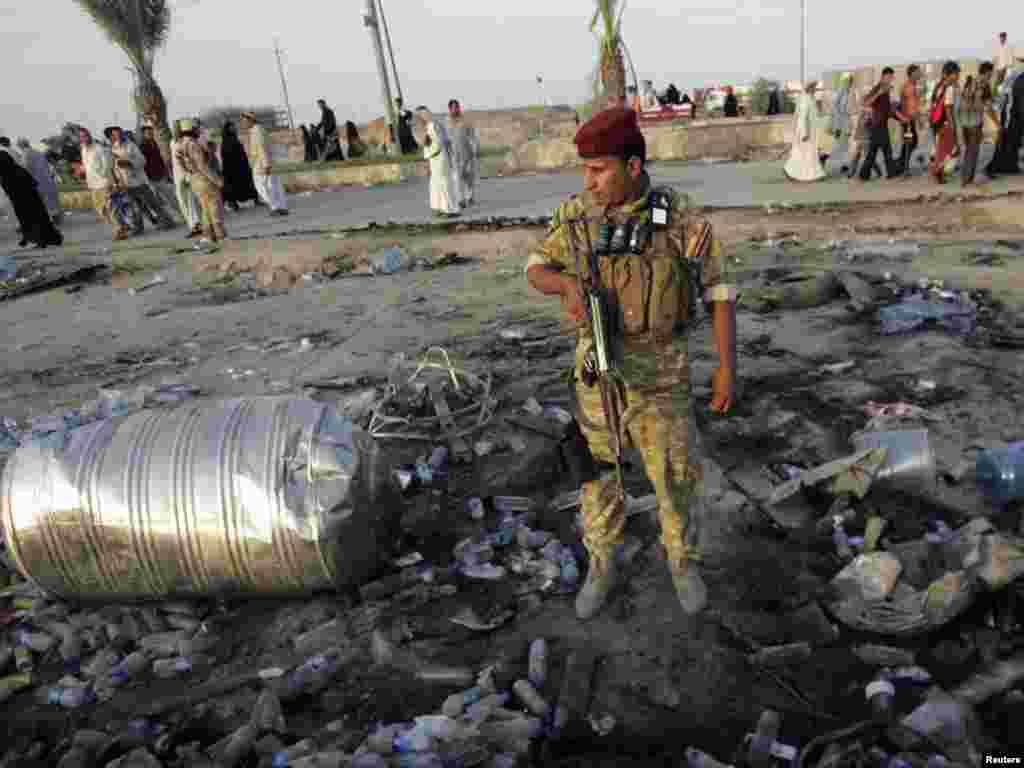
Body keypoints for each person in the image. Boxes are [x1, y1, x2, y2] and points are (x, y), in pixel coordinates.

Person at [525, 107, 737, 619]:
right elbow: (535, 267)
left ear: (634, 166)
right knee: (597, 475)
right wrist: (565, 285)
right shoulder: (576, 217)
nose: (589, 180)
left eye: (599, 170)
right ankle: (602, 563)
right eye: (586, 170)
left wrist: (727, 366)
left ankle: (683, 562)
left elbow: (720, 292)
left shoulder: (681, 219)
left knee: (674, 475)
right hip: (597, 372)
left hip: (661, 370)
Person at [107, 125, 176, 233]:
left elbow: (142, 160)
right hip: (125, 183)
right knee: (134, 207)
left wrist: (129, 163)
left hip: (139, 181)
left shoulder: (131, 146)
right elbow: (113, 167)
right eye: (115, 134)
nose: (118, 136)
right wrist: (117, 180)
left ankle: (167, 221)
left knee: (152, 203)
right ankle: (138, 227)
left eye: (119, 133)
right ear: (112, 136)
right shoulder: (112, 148)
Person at [173, 119, 226, 242]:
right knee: (214, 206)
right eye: (196, 129)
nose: (198, 131)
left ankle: (209, 235)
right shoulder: (193, 145)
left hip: (194, 179)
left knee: (205, 208)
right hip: (204, 179)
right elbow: (202, 166)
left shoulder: (179, 145)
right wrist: (216, 179)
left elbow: (182, 166)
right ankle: (220, 234)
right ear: (191, 130)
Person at [0, 151, 62, 248]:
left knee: (31, 221)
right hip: (32, 199)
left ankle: (40, 240)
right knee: (39, 219)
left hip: (22, 202)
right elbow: (33, 183)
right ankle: (49, 239)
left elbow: (9, 190)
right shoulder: (18, 169)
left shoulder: (6, 174)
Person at [78, 127, 130, 241]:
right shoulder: (83, 150)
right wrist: (84, 173)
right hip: (93, 184)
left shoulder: (99, 148)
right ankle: (123, 225)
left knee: (111, 208)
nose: (84, 138)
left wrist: (104, 178)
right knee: (101, 210)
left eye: (85, 135)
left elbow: (107, 165)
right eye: (81, 137)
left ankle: (120, 230)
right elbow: (87, 165)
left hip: (104, 183)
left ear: (89, 135)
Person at [858, 67, 905, 181]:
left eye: (891, 77)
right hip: (877, 124)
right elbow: (866, 102)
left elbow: (888, 108)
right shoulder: (878, 87)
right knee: (885, 150)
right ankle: (890, 173)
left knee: (874, 152)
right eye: (889, 77)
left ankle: (864, 175)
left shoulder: (886, 89)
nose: (891, 79)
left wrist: (899, 117)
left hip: (881, 123)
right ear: (883, 76)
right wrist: (879, 93)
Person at [240, 111, 289, 216]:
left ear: (250, 120)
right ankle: (281, 207)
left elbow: (262, 148)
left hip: (261, 163)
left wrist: (266, 165)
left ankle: (275, 207)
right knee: (274, 185)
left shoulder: (256, 131)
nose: (243, 123)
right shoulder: (258, 129)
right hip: (267, 162)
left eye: (244, 121)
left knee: (263, 187)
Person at [416, 106, 460, 217]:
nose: (422, 117)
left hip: (440, 157)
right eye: (420, 115)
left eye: (423, 114)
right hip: (434, 158)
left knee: (444, 183)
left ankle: (451, 210)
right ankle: (439, 208)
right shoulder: (429, 125)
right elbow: (428, 142)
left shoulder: (436, 124)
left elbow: (443, 142)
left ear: (427, 113)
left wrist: (427, 142)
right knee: (435, 184)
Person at [958, 62, 997, 186]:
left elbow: (962, 100)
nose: (990, 77)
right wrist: (997, 122)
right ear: (986, 72)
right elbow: (989, 107)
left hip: (964, 121)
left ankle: (966, 177)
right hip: (975, 121)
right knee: (974, 150)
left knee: (969, 150)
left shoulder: (970, 81)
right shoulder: (985, 85)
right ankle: (968, 178)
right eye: (990, 74)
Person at [986, 58, 1024, 177]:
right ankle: (1005, 166)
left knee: (1010, 140)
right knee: (1009, 140)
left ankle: (1009, 165)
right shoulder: (1019, 77)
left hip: (1009, 113)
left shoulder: (1014, 74)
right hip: (1011, 114)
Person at [785, 81, 826, 182]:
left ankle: (794, 171)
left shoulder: (808, 98)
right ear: (810, 88)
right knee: (805, 153)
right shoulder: (805, 99)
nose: (815, 90)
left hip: (809, 131)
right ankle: (807, 174)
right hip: (806, 131)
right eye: (814, 88)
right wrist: (804, 133)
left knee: (804, 153)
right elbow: (802, 117)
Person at [928, 61, 961, 184]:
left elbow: (933, 104)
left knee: (940, 150)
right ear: (950, 74)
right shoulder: (950, 88)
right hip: (945, 123)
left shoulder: (939, 85)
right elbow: (948, 109)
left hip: (936, 122)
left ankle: (937, 172)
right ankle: (939, 174)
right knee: (947, 151)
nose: (958, 76)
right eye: (956, 73)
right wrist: (952, 128)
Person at [139, 125, 180, 222]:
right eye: (148, 133)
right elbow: (143, 164)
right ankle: (168, 218)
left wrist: (165, 171)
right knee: (161, 200)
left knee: (170, 197)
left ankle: (179, 214)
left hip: (160, 174)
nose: (151, 134)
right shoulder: (142, 147)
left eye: (151, 132)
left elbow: (160, 159)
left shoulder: (154, 143)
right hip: (151, 177)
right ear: (144, 134)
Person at [15, 138, 62, 224]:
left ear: (20, 145)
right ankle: (55, 216)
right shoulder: (38, 152)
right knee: (50, 200)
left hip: (37, 181)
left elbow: (25, 168)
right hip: (46, 179)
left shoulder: (26, 154)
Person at [169, 121, 202, 237]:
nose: (174, 131)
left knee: (192, 200)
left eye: (177, 128)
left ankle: (198, 224)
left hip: (189, 173)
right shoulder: (172, 142)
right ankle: (193, 225)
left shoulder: (187, 141)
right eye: (173, 128)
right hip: (177, 174)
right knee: (182, 201)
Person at [219, 121, 261, 211]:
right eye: (232, 127)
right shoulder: (225, 142)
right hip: (232, 168)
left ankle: (255, 199)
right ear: (227, 129)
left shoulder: (235, 139)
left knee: (248, 182)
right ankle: (234, 204)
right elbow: (226, 157)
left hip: (241, 166)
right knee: (232, 186)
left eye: (234, 126)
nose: (234, 128)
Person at [446, 99, 480, 208]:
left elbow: (472, 136)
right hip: (454, 155)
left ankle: (469, 196)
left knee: (468, 177)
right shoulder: (446, 121)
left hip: (467, 153)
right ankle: (460, 200)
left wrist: (476, 148)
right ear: (450, 109)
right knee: (457, 177)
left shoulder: (465, 120)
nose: (456, 109)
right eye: (453, 107)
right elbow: (445, 139)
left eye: (457, 107)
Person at [897, 65, 924, 178]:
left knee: (910, 143)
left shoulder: (912, 85)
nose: (920, 74)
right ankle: (903, 168)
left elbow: (914, 104)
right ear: (912, 73)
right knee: (909, 143)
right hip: (907, 120)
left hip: (909, 120)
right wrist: (916, 119)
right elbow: (910, 106)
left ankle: (901, 165)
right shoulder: (908, 86)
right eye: (918, 72)